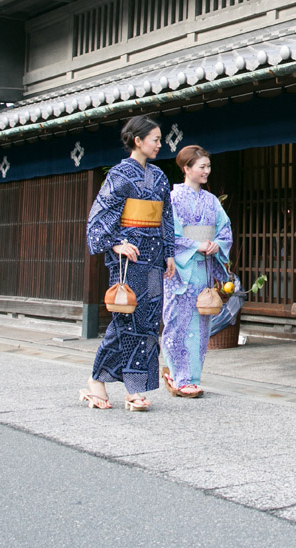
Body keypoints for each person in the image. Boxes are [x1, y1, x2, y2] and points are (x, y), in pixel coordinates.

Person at [79, 115, 175, 411]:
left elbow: (166, 218)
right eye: (155, 139)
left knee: (148, 321)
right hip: (129, 259)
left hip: (154, 257)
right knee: (126, 318)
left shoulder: (159, 177)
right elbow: (99, 217)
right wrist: (115, 243)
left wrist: (169, 253)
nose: (159, 144)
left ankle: (134, 387)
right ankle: (97, 380)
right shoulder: (119, 175)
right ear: (138, 141)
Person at [161, 145, 232, 398]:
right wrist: (196, 245)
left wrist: (216, 245)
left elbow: (224, 230)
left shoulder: (211, 201)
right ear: (186, 168)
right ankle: (179, 376)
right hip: (180, 271)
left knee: (201, 324)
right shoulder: (172, 198)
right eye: (202, 167)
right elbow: (167, 234)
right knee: (178, 322)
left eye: (208, 166)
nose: (206, 171)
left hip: (203, 270)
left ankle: (190, 377)